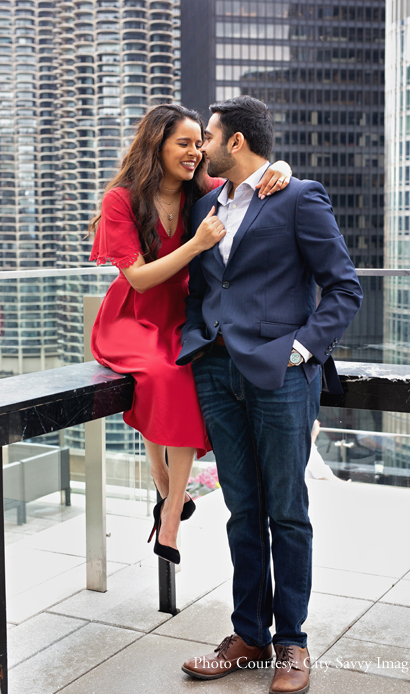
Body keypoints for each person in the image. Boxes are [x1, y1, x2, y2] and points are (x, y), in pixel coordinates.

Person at [177, 96, 363, 694]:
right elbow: (204, 282)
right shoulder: (204, 203)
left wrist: (299, 351)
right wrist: (198, 342)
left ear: (236, 142)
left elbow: (344, 288)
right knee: (243, 512)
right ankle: (249, 633)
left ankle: (292, 645)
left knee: (287, 511)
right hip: (216, 371)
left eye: (207, 136)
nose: (200, 146)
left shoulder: (298, 196)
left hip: (281, 377)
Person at [88, 103, 291, 564]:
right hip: (134, 316)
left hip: (184, 315)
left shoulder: (205, 190)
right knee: (165, 377)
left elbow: (252, 175)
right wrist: (198, 243)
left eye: (200, 143)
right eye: (185, 143)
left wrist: (280, 165)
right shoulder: (121, 199)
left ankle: (170, 510)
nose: (197, 152)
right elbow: (137, 279)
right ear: (155, 144)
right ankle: (169, 499)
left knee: (180, 379)